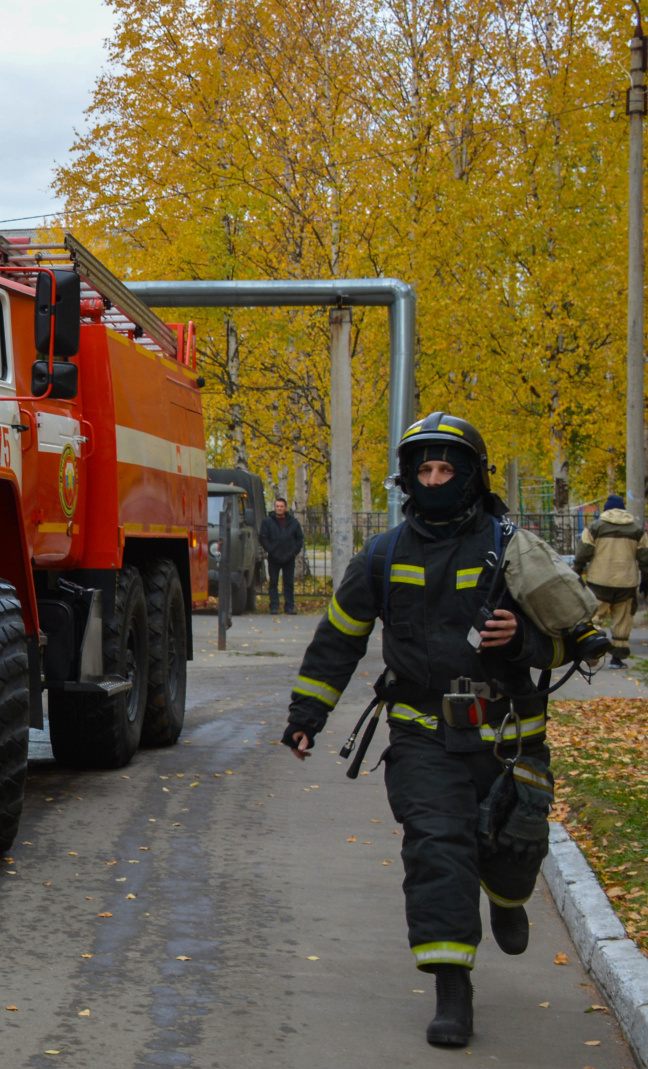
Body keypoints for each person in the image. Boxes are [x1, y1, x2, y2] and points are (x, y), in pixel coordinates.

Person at [283, 413, 610, 1049]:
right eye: (423, 470)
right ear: (408, 479)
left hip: (510, 737)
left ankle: (509, 896)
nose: (434, 480)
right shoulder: (380, 555)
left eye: (445, 470)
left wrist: (522, 641)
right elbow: (339, 640)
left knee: (513, 854)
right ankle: (452, 989)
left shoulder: (515, 547)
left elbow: (571, 643)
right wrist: (306, 716)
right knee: (436, 847)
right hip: (420, 733)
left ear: (469, 477)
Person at [573, 495, 647, 666]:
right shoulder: (637, 530)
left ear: (606, 510)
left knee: (594, 616)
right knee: (622, 619)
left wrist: (576, 572)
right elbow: (645, 558)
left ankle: (593, 651)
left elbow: (583, 553)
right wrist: (646, 579)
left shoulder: (594, 527)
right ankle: (617, 658)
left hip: (599, 581)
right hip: (626, 582)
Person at [257, 496, 305, 614]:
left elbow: (299, 538)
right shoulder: (268, 522)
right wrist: (270, 549)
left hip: (289, 557)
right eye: (277, 506)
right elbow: (263, 537)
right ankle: (274, 606)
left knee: (288, 582)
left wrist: (294, 552)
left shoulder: (293, 522)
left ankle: (289, 606)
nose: (279, 508)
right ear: (274, 508)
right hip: (274, 557)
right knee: (273, 582)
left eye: (281, 506)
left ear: (286, 508)